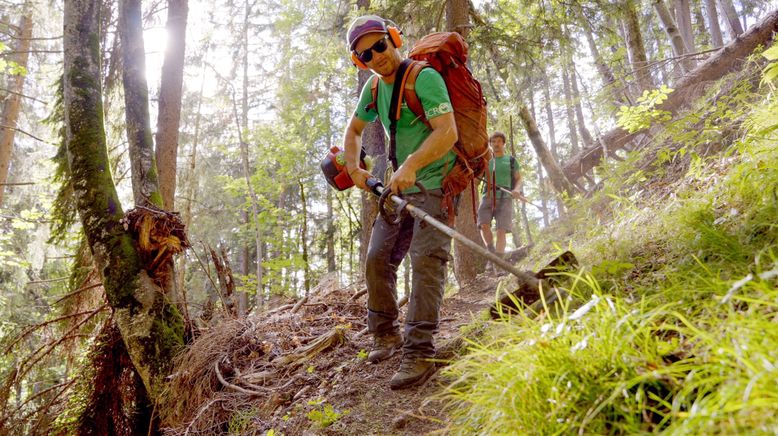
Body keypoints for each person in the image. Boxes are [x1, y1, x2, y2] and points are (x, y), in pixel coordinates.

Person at [342, 15, 458, 390]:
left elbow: (448, 132)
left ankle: (419, 351)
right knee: (378, 256)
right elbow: (354, 130)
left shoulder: (424, 78)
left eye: (380, 45)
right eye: (366, 54)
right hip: (398, 188)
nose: (377, 56)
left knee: (426, 262)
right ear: (360, 62)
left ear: (394, 39)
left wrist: (411, 164)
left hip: (435, 184)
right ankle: (385, 333)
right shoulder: (374, 89)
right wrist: (354, 167)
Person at [477, 132, 523, 260]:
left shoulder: (511, 161)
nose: (496, 144)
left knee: (501, 230)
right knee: (483, 224)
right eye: (493, 142)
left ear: (503, 143)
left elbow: (519, 179)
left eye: (498, 141)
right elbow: (476, 180)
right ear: (490, 144)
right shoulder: (485, 162)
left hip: (506, 197)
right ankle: (492, 253)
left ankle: (499, 261)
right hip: (488, 196)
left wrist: (517, 190)